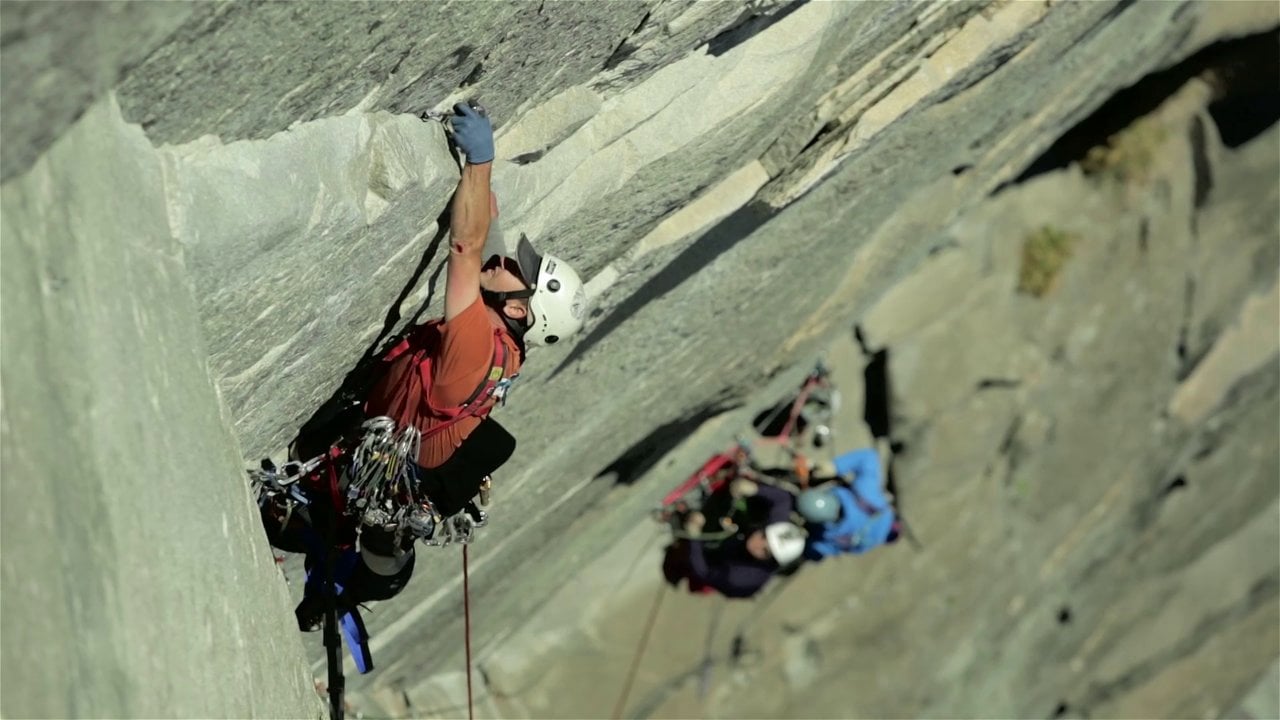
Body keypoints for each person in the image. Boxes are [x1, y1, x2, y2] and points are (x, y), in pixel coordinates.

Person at [293, 102, 588, 627]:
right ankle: (360, 573)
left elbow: (466, 245)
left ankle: (340, 587)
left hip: (379, 461)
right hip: (420, 460)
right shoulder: (506, 345)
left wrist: (479, 163)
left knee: (328, 521)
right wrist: (485, 198)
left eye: (516, 270)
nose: (505, 262)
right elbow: (486, 237)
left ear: (518, 307)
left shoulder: (475, 339)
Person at [664, 477, 806, 599]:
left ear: (771, 561)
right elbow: (783, 500)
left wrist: (694, 536)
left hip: (717, 560)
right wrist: (753, 489)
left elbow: (703, 572)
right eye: (763, 536)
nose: (757, 544)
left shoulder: (741, 578)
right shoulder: (776, 529)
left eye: (765, 551)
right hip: (736, 532)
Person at [797, 446, 899, 560]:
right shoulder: (862, 546)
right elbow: (818, 549)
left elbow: (869, 457)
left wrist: (835, 466)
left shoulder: (878, 506)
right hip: (803, 525)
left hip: (818, 488)